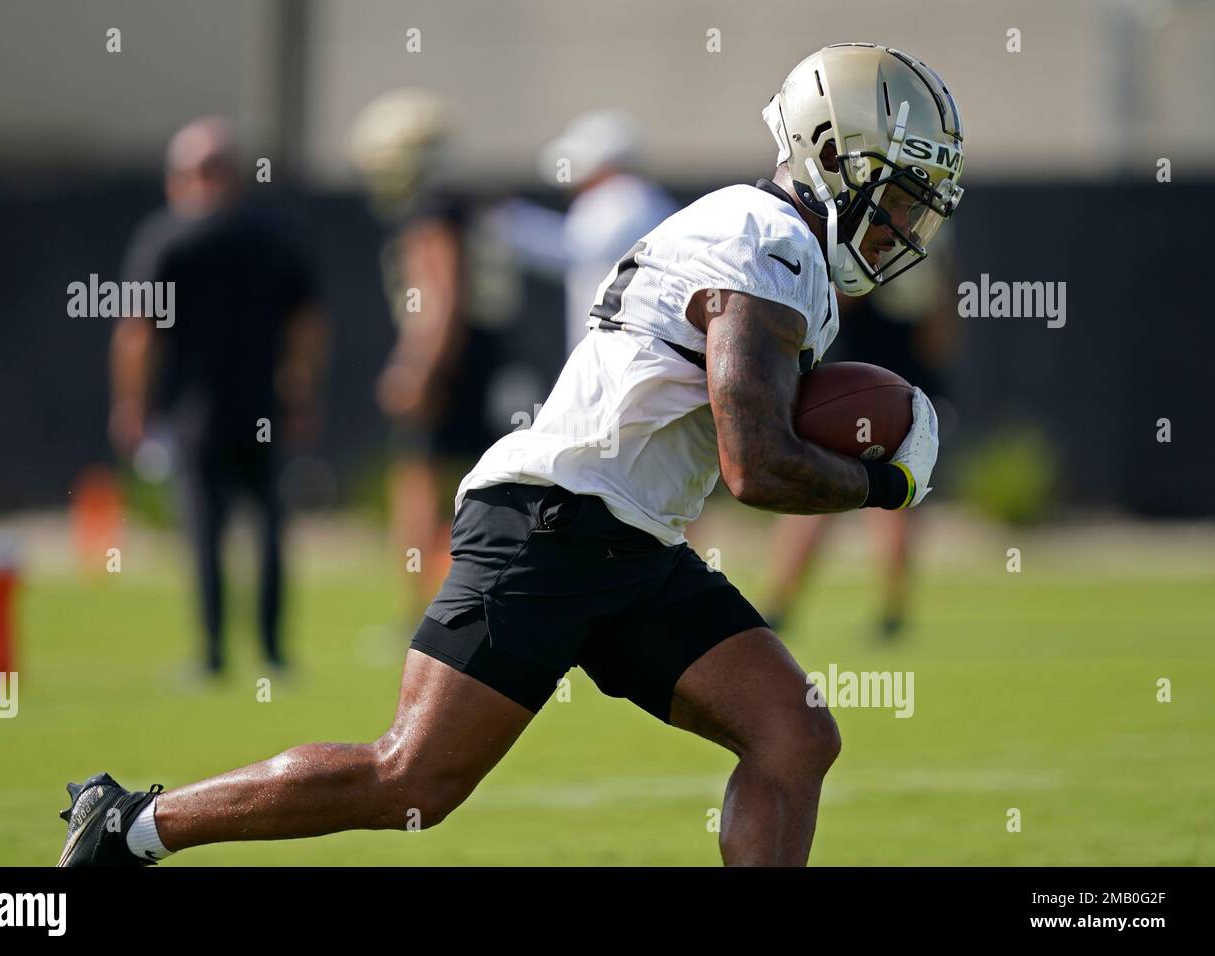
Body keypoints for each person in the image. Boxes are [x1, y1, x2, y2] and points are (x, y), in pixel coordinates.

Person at [59, 44, 965, 867]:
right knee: (409, 780)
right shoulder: (762, 240)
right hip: (552, 523)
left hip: (632, 541)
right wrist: (886, 481)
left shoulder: (773, 242)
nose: (901, 226)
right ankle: (133, 826)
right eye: (894, 196)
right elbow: (754, 465)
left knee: (794, 735)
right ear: (830, 156)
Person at [109, 117, 328, 677]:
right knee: (270, 530)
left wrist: (131, 404)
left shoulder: (168, 237)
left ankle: (212, 655)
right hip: (262, 410)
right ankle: (274, 653)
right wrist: (301, 392)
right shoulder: (271, 234)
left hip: (194, 412)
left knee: (206, 533)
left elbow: (138, 332)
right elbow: (308, 323)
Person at [347, 89, 520, 624]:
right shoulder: (463, 203)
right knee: (485, 485)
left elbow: (440, 295)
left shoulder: (432, 211)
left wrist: (417, 365)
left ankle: (426, 610)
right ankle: (479, 601)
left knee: (420, 481)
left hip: (452, 360)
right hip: (484, 353)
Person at [765, 248, 958, 639]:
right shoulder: (912, 238)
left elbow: (847, 296)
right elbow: (940, 315)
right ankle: (886, 610)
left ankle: (784, 605)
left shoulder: (873, 241)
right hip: (883, 374)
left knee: (862, 496)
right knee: (883, 494)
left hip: (863, 378)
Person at [490, 109, 677, 363]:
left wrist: (509, 221)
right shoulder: (630, 197)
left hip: (624, 352)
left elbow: (576, 251)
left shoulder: (624, 196)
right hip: (620, 350)